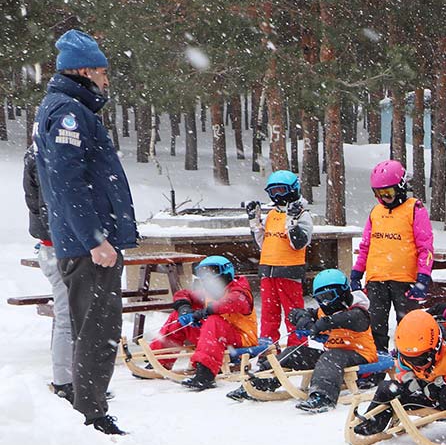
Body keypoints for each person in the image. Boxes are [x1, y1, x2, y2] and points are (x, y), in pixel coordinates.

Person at [33, 29, 136, 435]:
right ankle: (90, 415)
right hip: (89, 245)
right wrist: (95, 238)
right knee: (97, 329)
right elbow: (67, 183)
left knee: (95, 326)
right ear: (85, 70)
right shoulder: (69, 114)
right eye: (103, 71)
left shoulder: (70, 109)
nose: (106, 80)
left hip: (88, 241)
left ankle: (88, 405)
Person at [227, 269, 376, 412]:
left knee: (331, 357)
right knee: (293, 352)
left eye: (329, 297)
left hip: (360, 356)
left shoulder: (358, 312)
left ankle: (323, 396)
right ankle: (258, 383)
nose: (325, 303)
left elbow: (343, 319)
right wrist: (304, 320)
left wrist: (321, 324)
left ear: (343, 292)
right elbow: (296, 313)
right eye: (320, 299)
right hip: (331, 357)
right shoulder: (323, 311)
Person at [353, 310, 446, 445]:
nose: (416, 363)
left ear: (436, 346)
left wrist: (442, 382)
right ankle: (373, 423)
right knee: (387, 388)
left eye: (421, 359)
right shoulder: (406, 353)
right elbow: (401, 371)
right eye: (409, 359)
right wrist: (409, 379)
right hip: (421, 394)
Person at [351, 159, 434, 357]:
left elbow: (426, 248)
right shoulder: (376, 212)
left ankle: (410, 358)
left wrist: (423, 278)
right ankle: (376, 360)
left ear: (401, 187)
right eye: (379, 194)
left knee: (407, 324)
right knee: (375, 324)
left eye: (388, 193)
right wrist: (357, 272)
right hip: (377, 278)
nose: (384, 199)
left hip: (404, 280)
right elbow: (366, 246)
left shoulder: (415, 209)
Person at [149, 256, 257, 391]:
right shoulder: (209, 292)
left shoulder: (240, 291)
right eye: (203, 273)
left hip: (242, 338)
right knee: (178, 317)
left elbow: (232, 302)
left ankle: (205, 372)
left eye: (212, 272)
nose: (208, 277)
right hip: (214, 336)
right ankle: (159, 360)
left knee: (214, 321)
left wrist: (205, 312)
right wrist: (184, 308)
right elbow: (184, 294)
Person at [24, 144, 75, 402]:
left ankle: (73, 379)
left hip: (52, 245)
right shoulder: (47, 155)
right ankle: (65, 382)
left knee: (68, 315)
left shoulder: (37, 154)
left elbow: (35, 202)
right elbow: (45, 205)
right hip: (58, 247)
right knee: (67, 316)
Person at [247, 169, 313, 348]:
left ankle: (297, 347)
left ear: (292, 190)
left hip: (289, 271)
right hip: (268, 271)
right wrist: (255, 223)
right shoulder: (272, 215)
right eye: (273, 192)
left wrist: (291, 222)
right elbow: (264, 243)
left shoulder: (302, 215)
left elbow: (299, 243)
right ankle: (267, 346)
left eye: (281, 191)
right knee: (269, 314)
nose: (277, 196)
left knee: (294, 314)